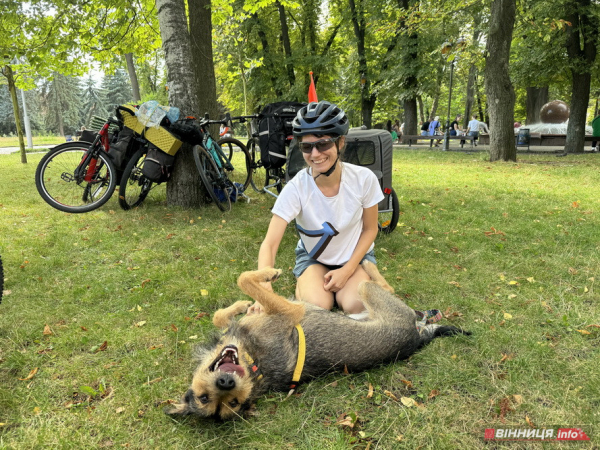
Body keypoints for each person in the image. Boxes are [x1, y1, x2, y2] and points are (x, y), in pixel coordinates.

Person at [249, 101, 384, 318]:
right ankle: (306, 281)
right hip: (314, 257)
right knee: (316, 308)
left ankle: (344, 281)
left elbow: (370, 230)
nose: (315, 154)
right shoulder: (297, 188)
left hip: (354, 257)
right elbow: (270, 243)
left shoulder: (363, 179)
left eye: (322, 144)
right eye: (306, 146)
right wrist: (263, 289)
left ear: (340, 143)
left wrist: (347, 270)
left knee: (356, 305)